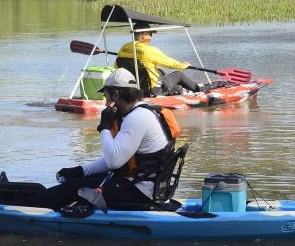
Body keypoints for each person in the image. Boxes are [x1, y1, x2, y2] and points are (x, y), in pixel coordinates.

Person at [22, 68, 179, 212]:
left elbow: (114, 162)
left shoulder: (136, 117)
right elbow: (119, 158)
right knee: (78, 179)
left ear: (116, 94)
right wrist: (81, 171)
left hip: (141, 192)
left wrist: (104, 126)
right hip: (151, 187)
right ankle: (24, 199)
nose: (105, 103)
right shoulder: (147, 111)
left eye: (107, 96)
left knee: (71, 188)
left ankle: (21, 209)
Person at [116, 21, 201, 96]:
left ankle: (175, 89)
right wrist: (183, 65)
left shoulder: (123, 48)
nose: (150, 38)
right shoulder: (150, 50)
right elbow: (169, 63)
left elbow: (117, 67)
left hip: (136, 87)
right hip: (153, 89)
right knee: (179, 75)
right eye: (149, 34)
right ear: (143, 35)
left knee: (160, 72)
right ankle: (201, 90)